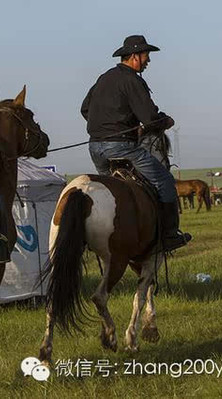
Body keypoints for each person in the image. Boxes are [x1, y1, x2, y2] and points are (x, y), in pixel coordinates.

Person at [81, 35, 191, 251]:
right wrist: (165, 121)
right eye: (146, 56)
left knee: (107, 193)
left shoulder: (103, 78)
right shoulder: (132, 80)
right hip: (122, 147)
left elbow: (85, 109)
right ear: (134, 57)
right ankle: (169, 234)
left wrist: (105, 126)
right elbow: (149, 118)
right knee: (165, 181)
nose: (148, 60)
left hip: (95, 148)